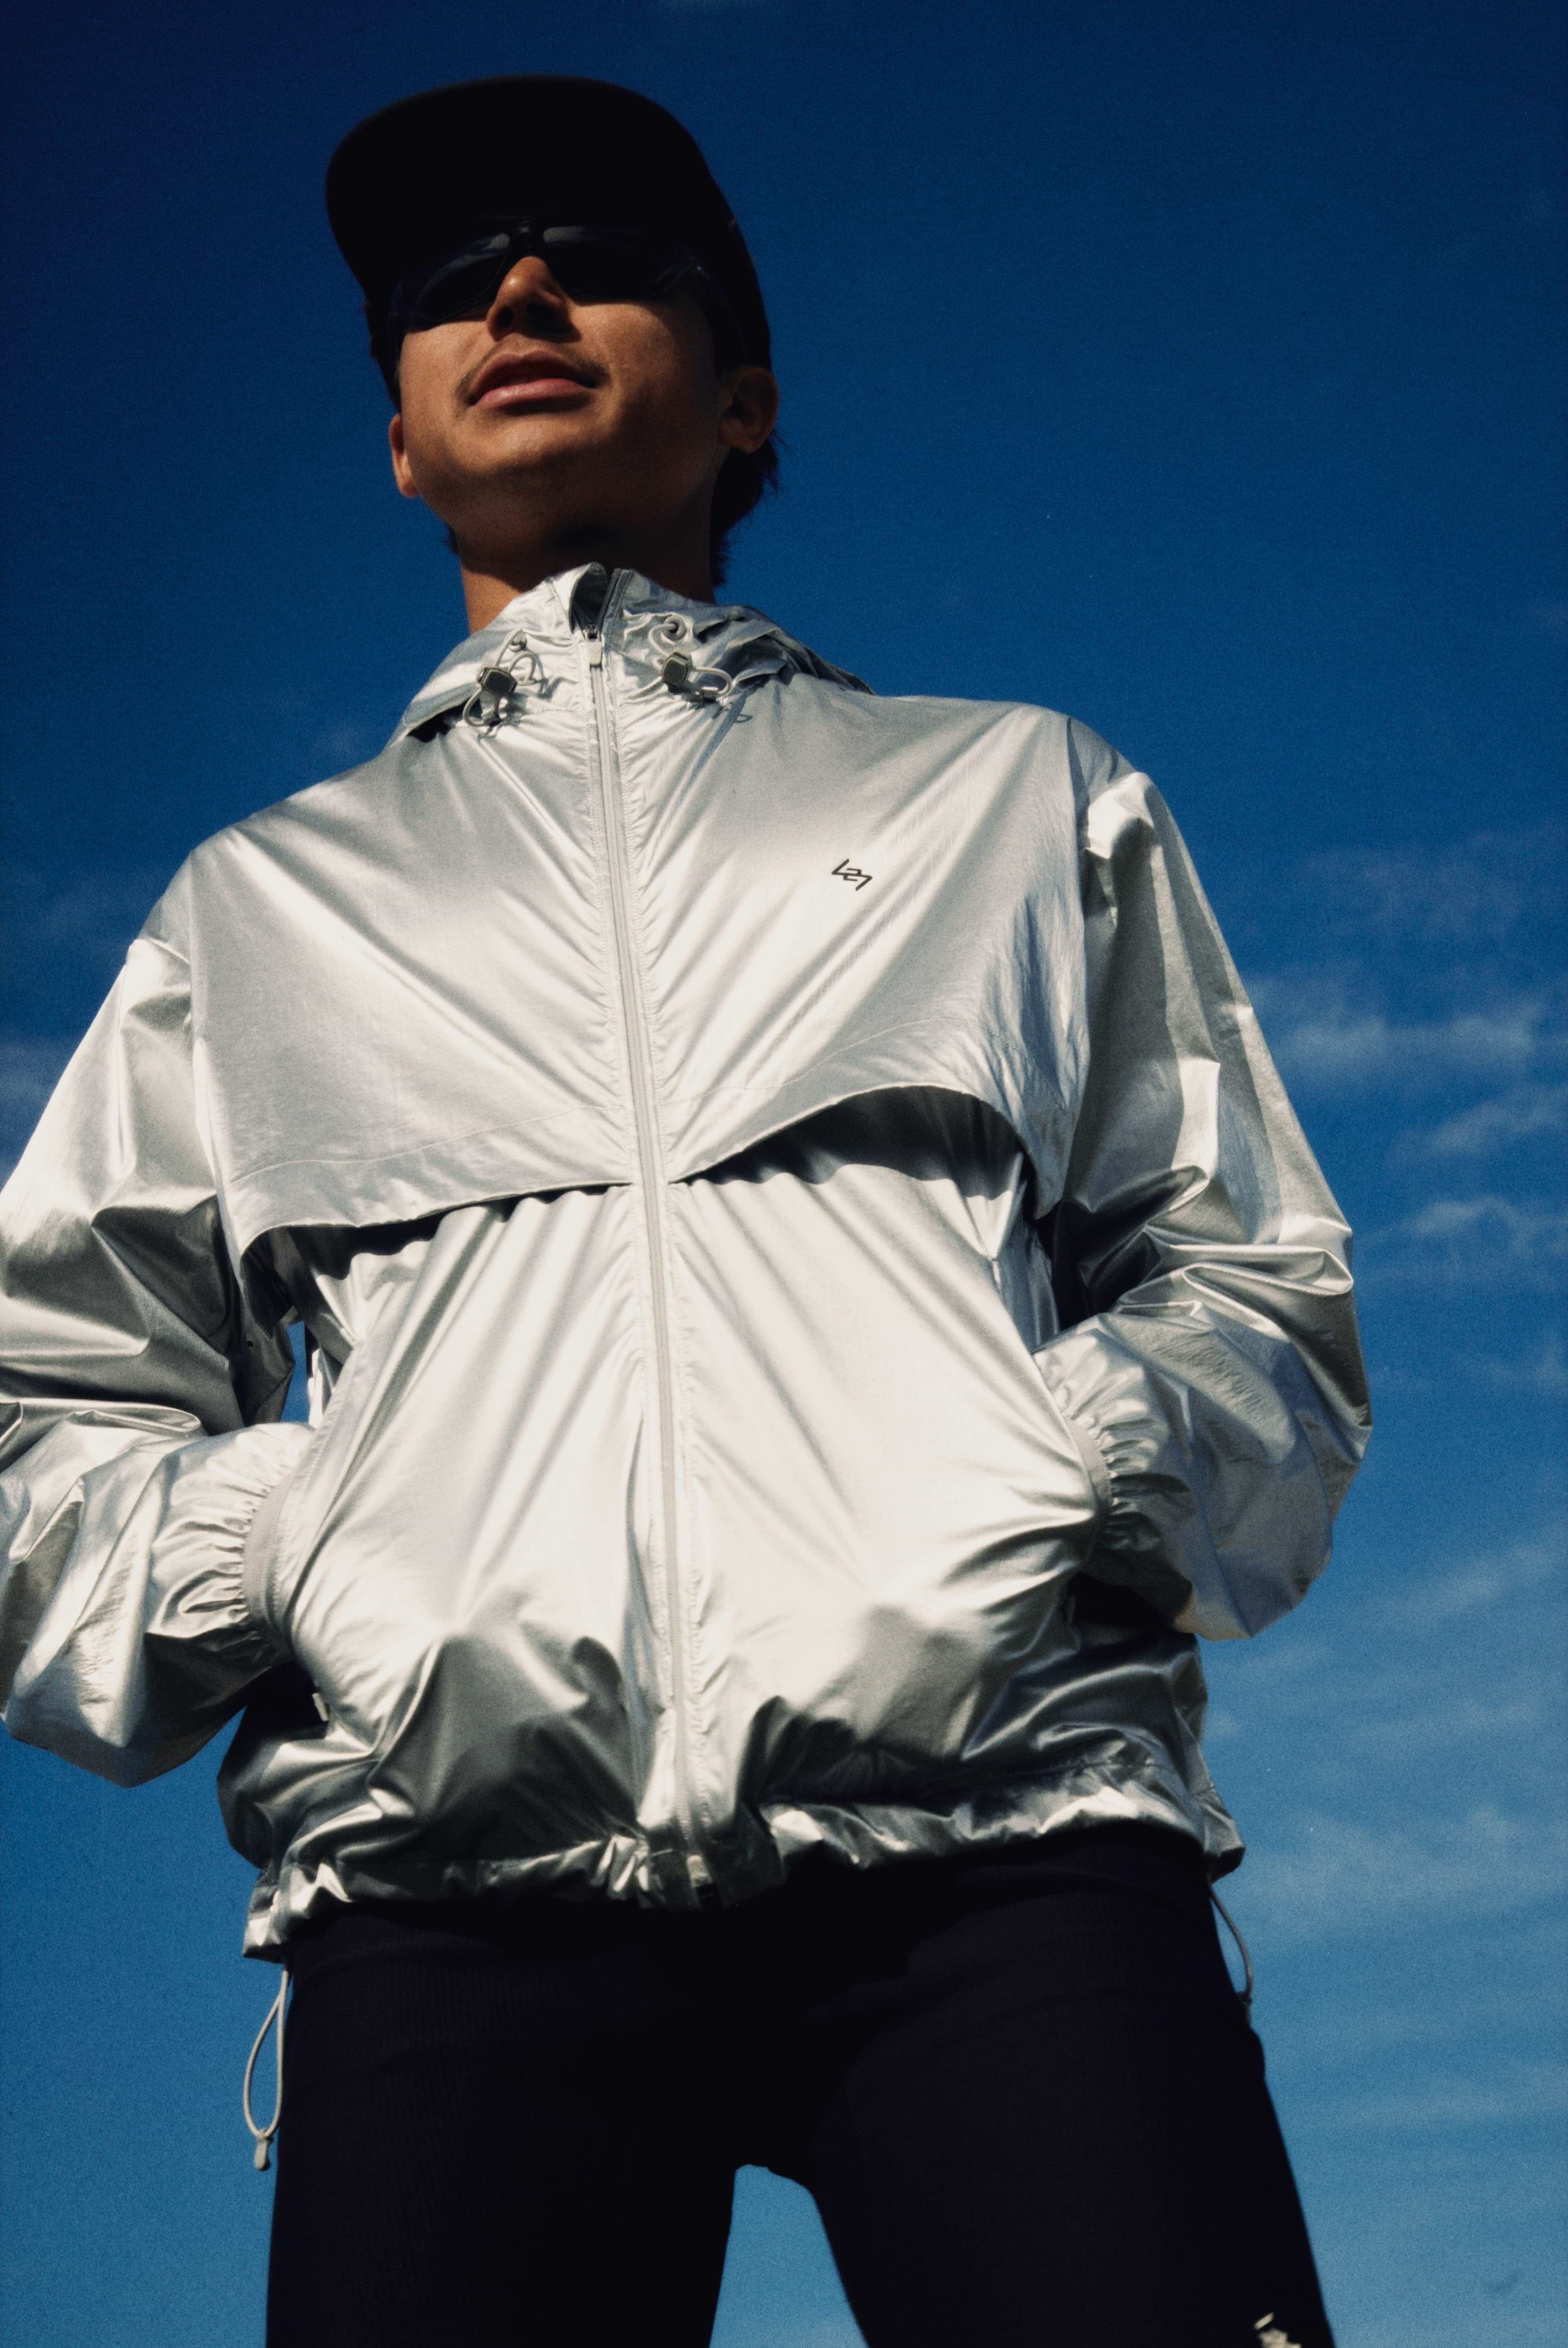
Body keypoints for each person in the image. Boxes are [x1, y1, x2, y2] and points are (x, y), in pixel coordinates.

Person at [0, 74, 1369, 2348]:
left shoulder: (1015, 796)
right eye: (449, 283)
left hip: (1009, 1865)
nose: (520, 292)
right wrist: (313, 1543)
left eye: (600, 259)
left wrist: (1052, 1472)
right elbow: (42, 1423)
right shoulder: (256, 911)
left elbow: (1251, 1289)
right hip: (448, 1910)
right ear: (399, 440)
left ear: (746, 404)